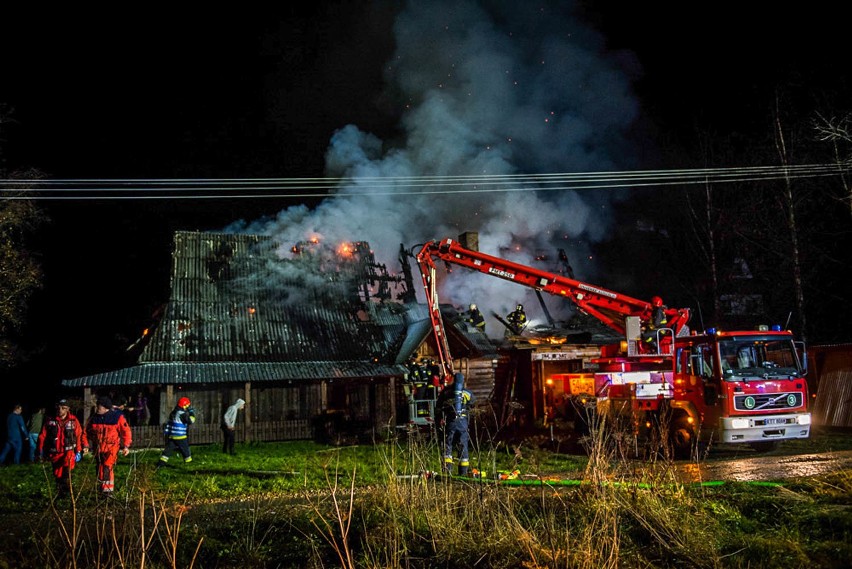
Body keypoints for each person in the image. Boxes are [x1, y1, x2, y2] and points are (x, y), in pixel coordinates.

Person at [83, 396, 132, 498]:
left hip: (111, 448)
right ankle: (102, 490)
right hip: (98, 448)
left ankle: (108, 492)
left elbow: (126, 431)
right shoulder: (93, 418)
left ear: (106, 408)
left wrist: (126, 446)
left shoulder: (117, 417)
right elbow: (85, 432)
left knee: (107, 468)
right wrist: (85, 445)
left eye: (99, 407)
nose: (97, 409)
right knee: (99, 468)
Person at [37, 400, 83, 498]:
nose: (60, 410)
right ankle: (61, 493)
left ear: (68, 409)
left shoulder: (73, 420)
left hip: (68, 452)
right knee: (57, 474)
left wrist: (78, 450)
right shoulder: (50, 420)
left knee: (66, 473)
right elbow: (42, 436)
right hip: (55, 453)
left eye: (63, 408)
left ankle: (68, 492)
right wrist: (39, 450)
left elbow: (78, 435)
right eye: (59, 408)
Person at [436, 373, 475, 476]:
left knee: (447, 445)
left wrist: (439, 419)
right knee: (463, 445)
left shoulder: (446, 392)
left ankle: (447, 472)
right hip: (463, 423)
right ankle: (463, 473)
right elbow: (472, 406)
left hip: (450, 422)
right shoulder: (468, 393)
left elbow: (439, 406)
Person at [158, 397, 196, 467]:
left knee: (167, 451)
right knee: (186, 451)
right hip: (180, 436)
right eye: (187, 406)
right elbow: (191, 421)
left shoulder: (173, 412)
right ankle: (189, 465)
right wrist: (191, 413)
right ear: (184, 406)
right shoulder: (182, 414)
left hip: (172, 436)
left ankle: (160, 464)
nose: (187, 408)